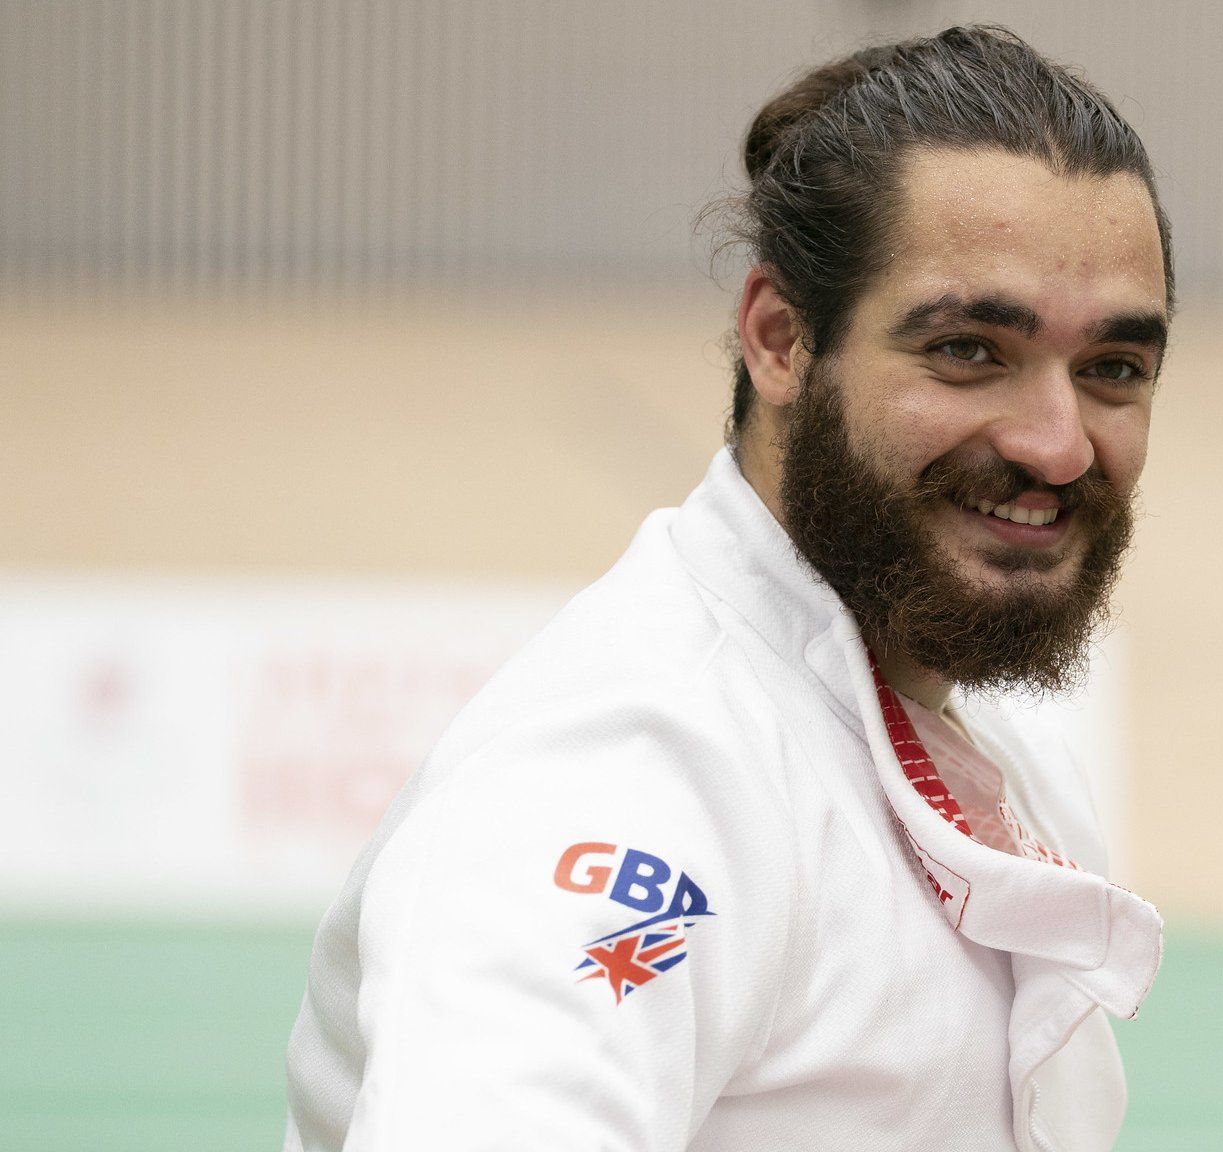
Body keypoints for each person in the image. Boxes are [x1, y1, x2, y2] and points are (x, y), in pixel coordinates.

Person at [283, 24, 1173, 1152]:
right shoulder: (629, 776)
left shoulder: (995, 756)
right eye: (966, 351)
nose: (1057, 444)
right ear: (780, 339)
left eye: (1112, 370)